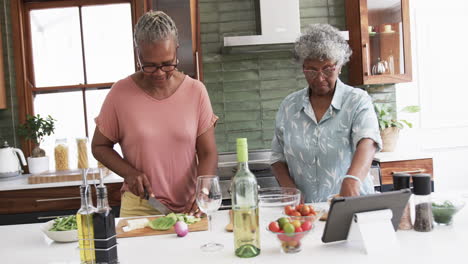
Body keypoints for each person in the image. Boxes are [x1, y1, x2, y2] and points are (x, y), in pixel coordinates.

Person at [92, 11, 218, 217]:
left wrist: (202, 192)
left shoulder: (196, 92)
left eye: (167, 63)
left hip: (190, 208)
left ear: (177, 50)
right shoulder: (120, 94)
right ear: (138, 54)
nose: (159, 73)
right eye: (149, 65)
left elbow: (207, 152)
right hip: (140, 207)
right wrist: (129, 173)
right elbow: (99, 146)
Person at [270, 24, 382, 203]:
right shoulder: (289, 106)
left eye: (328, 69)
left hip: (351, 205)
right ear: (303, 68)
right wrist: (289, 189)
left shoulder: (357, 101)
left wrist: (352, 180)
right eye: (311, 70)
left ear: (340, 66)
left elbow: (367, 141)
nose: (320, 77)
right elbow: (277, 157)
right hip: (305, 211)